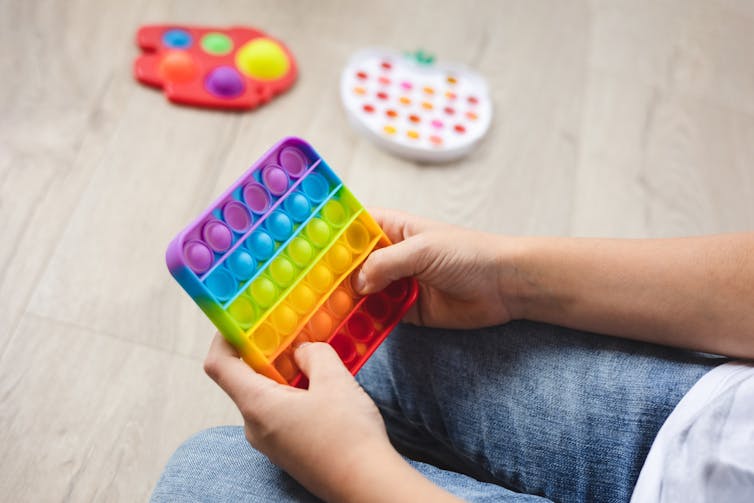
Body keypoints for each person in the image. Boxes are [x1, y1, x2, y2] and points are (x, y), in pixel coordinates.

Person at [151, 209, 754, 502]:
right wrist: (510, 279)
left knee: (208, 477)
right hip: (712, 427)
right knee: (384, 332)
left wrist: (357, 471)